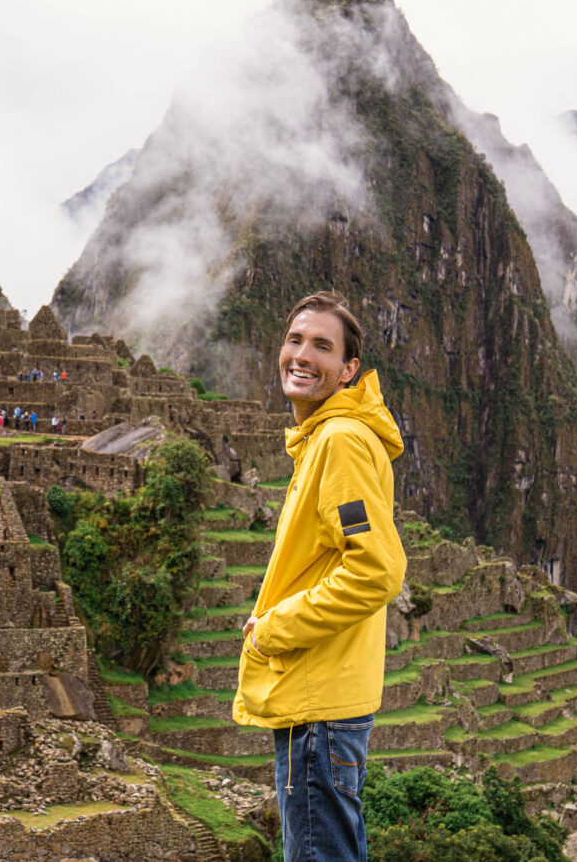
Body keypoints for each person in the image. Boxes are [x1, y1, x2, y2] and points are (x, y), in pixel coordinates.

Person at [233, 291, 407, 862]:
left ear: (348, 368)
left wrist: (275, 628)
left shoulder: (339, 441)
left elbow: (377, 568)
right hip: (325, 699)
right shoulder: (323, 439)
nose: (302, 355)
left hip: (320, 707)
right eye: (294, 340)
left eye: (322, 346)